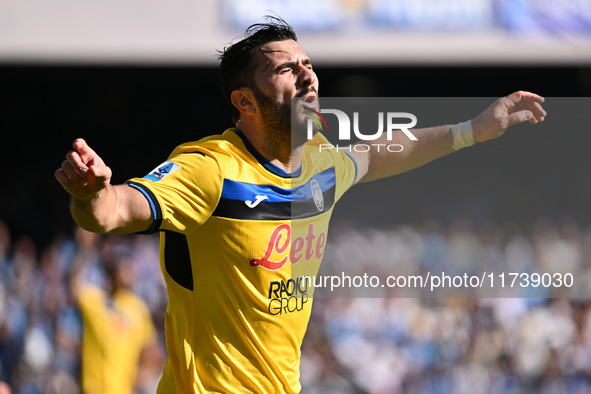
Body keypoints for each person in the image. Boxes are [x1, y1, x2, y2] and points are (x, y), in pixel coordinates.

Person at [55, 16, 546, 394]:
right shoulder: (212, 168)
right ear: (245, 101)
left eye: (308, 64)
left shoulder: (321, 165)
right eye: (287, 69)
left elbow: (381, 151)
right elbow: (113, 212)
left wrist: (471, 132)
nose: (308, 75)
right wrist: (91, 192)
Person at [70, 227, 161, 394]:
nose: (130, 274)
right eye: (124, 269)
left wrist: (143, 372)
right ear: (112, 274)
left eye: (130, 269)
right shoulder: (96, 302)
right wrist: (83, 249)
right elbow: (74, 288)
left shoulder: (138, 309)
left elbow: (152, 351)